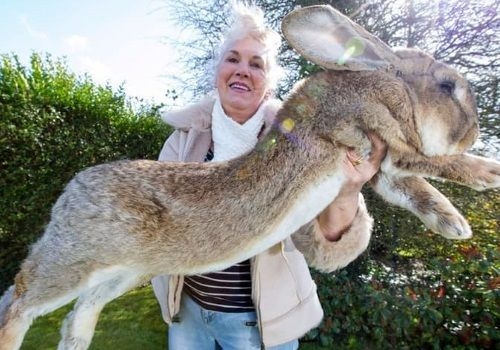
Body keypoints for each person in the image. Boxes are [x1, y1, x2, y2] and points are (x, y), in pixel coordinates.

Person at [151, 2, 387, 349]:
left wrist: (348, 190)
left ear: (270, 84)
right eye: (232, 59)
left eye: (256, 64)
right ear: (218, 70)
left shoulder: (300, 143)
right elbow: (158, 219)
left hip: (259, 326)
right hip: (188, 315)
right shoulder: (185, 139)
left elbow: (325, 244)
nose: (242, 70)